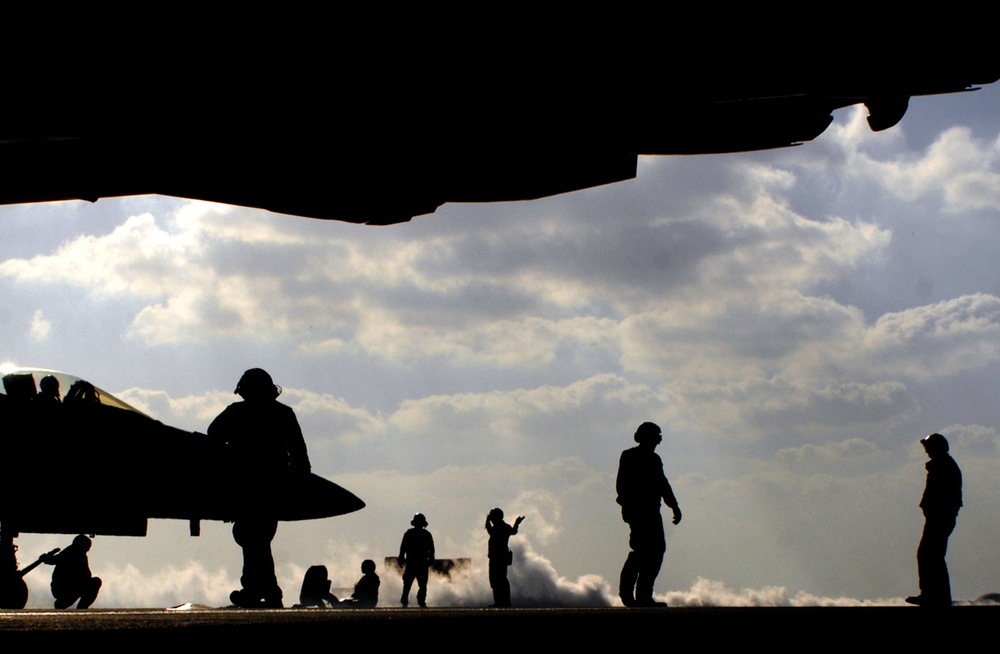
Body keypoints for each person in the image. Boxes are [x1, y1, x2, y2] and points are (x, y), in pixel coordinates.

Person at [208, 368, 312, 608]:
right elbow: (299, 452)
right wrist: (300, 483)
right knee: (258, 537)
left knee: (251, 537)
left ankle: (261, 590)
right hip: (273, 487)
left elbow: (213, 436)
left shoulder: (236, 413)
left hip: (246, 487)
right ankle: (260, 589)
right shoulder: (284, 414)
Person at [616, 421, 682, 608]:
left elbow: (662, 483)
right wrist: (627, 507)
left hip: (652, 511)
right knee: (642, 551)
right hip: (638, 511)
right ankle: (628, 594)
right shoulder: (629, 456)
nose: (658, 440)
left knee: (655, 551)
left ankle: (643, 595)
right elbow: (622, 484)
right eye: (655, 436)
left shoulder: (654, 459)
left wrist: (674, 505)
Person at [906, 433, 962, 607]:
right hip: (939, 517)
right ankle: (935, 595)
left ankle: (934, 596)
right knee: (931, 556)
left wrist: (934, 511)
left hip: (940, 518)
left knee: (929, 555)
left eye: (928, 448)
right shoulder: (941, 465)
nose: (927, 451)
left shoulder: (943, 466)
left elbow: (945, 496)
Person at [41, 535, 102, 609]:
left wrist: (45, 558)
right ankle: (67, 604)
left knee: (94, 582)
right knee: (94, 582)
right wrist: (45, 558)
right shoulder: (69, 553)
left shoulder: (81, 555)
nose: (87, 550)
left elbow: (86, 575)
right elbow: (52, 560)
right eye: (86, 548)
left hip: (73, 586)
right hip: (63, 588)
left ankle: (75, 606)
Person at [484, 507, 523, 607]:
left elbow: (490, 531)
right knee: (497, 580)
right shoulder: (504, 527)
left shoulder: (498, 528)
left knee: (498, 580)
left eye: (492, 516)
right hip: (497, 558)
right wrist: (516, 524)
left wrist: (487, 521)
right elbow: (513, 531)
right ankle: (502, 601)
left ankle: (502, 602)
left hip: (498, 558)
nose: (491, 518)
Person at [398, 513, 435, 607]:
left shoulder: (411, 533)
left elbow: (431, 549)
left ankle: (414, 601)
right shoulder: (424, 534)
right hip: (417, 562)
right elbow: (403, 547)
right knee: (412, 584)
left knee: (416, 584)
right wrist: (401, 557)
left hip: (416, 562)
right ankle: (412, 601)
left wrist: (401, 557)